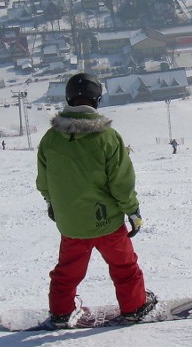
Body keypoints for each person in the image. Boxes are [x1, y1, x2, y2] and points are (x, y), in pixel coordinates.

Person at [35, 72, 156, 327]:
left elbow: (44, 182)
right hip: (107, 222)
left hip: (71, 224)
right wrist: (132, 211)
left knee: (67, 271)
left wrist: (52, 204)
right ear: (97, 100)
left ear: (69, 98)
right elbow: (122, 182)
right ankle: (134, 307)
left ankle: (60, 312)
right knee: (124, 266)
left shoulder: (50, 138)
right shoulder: (107, 137)